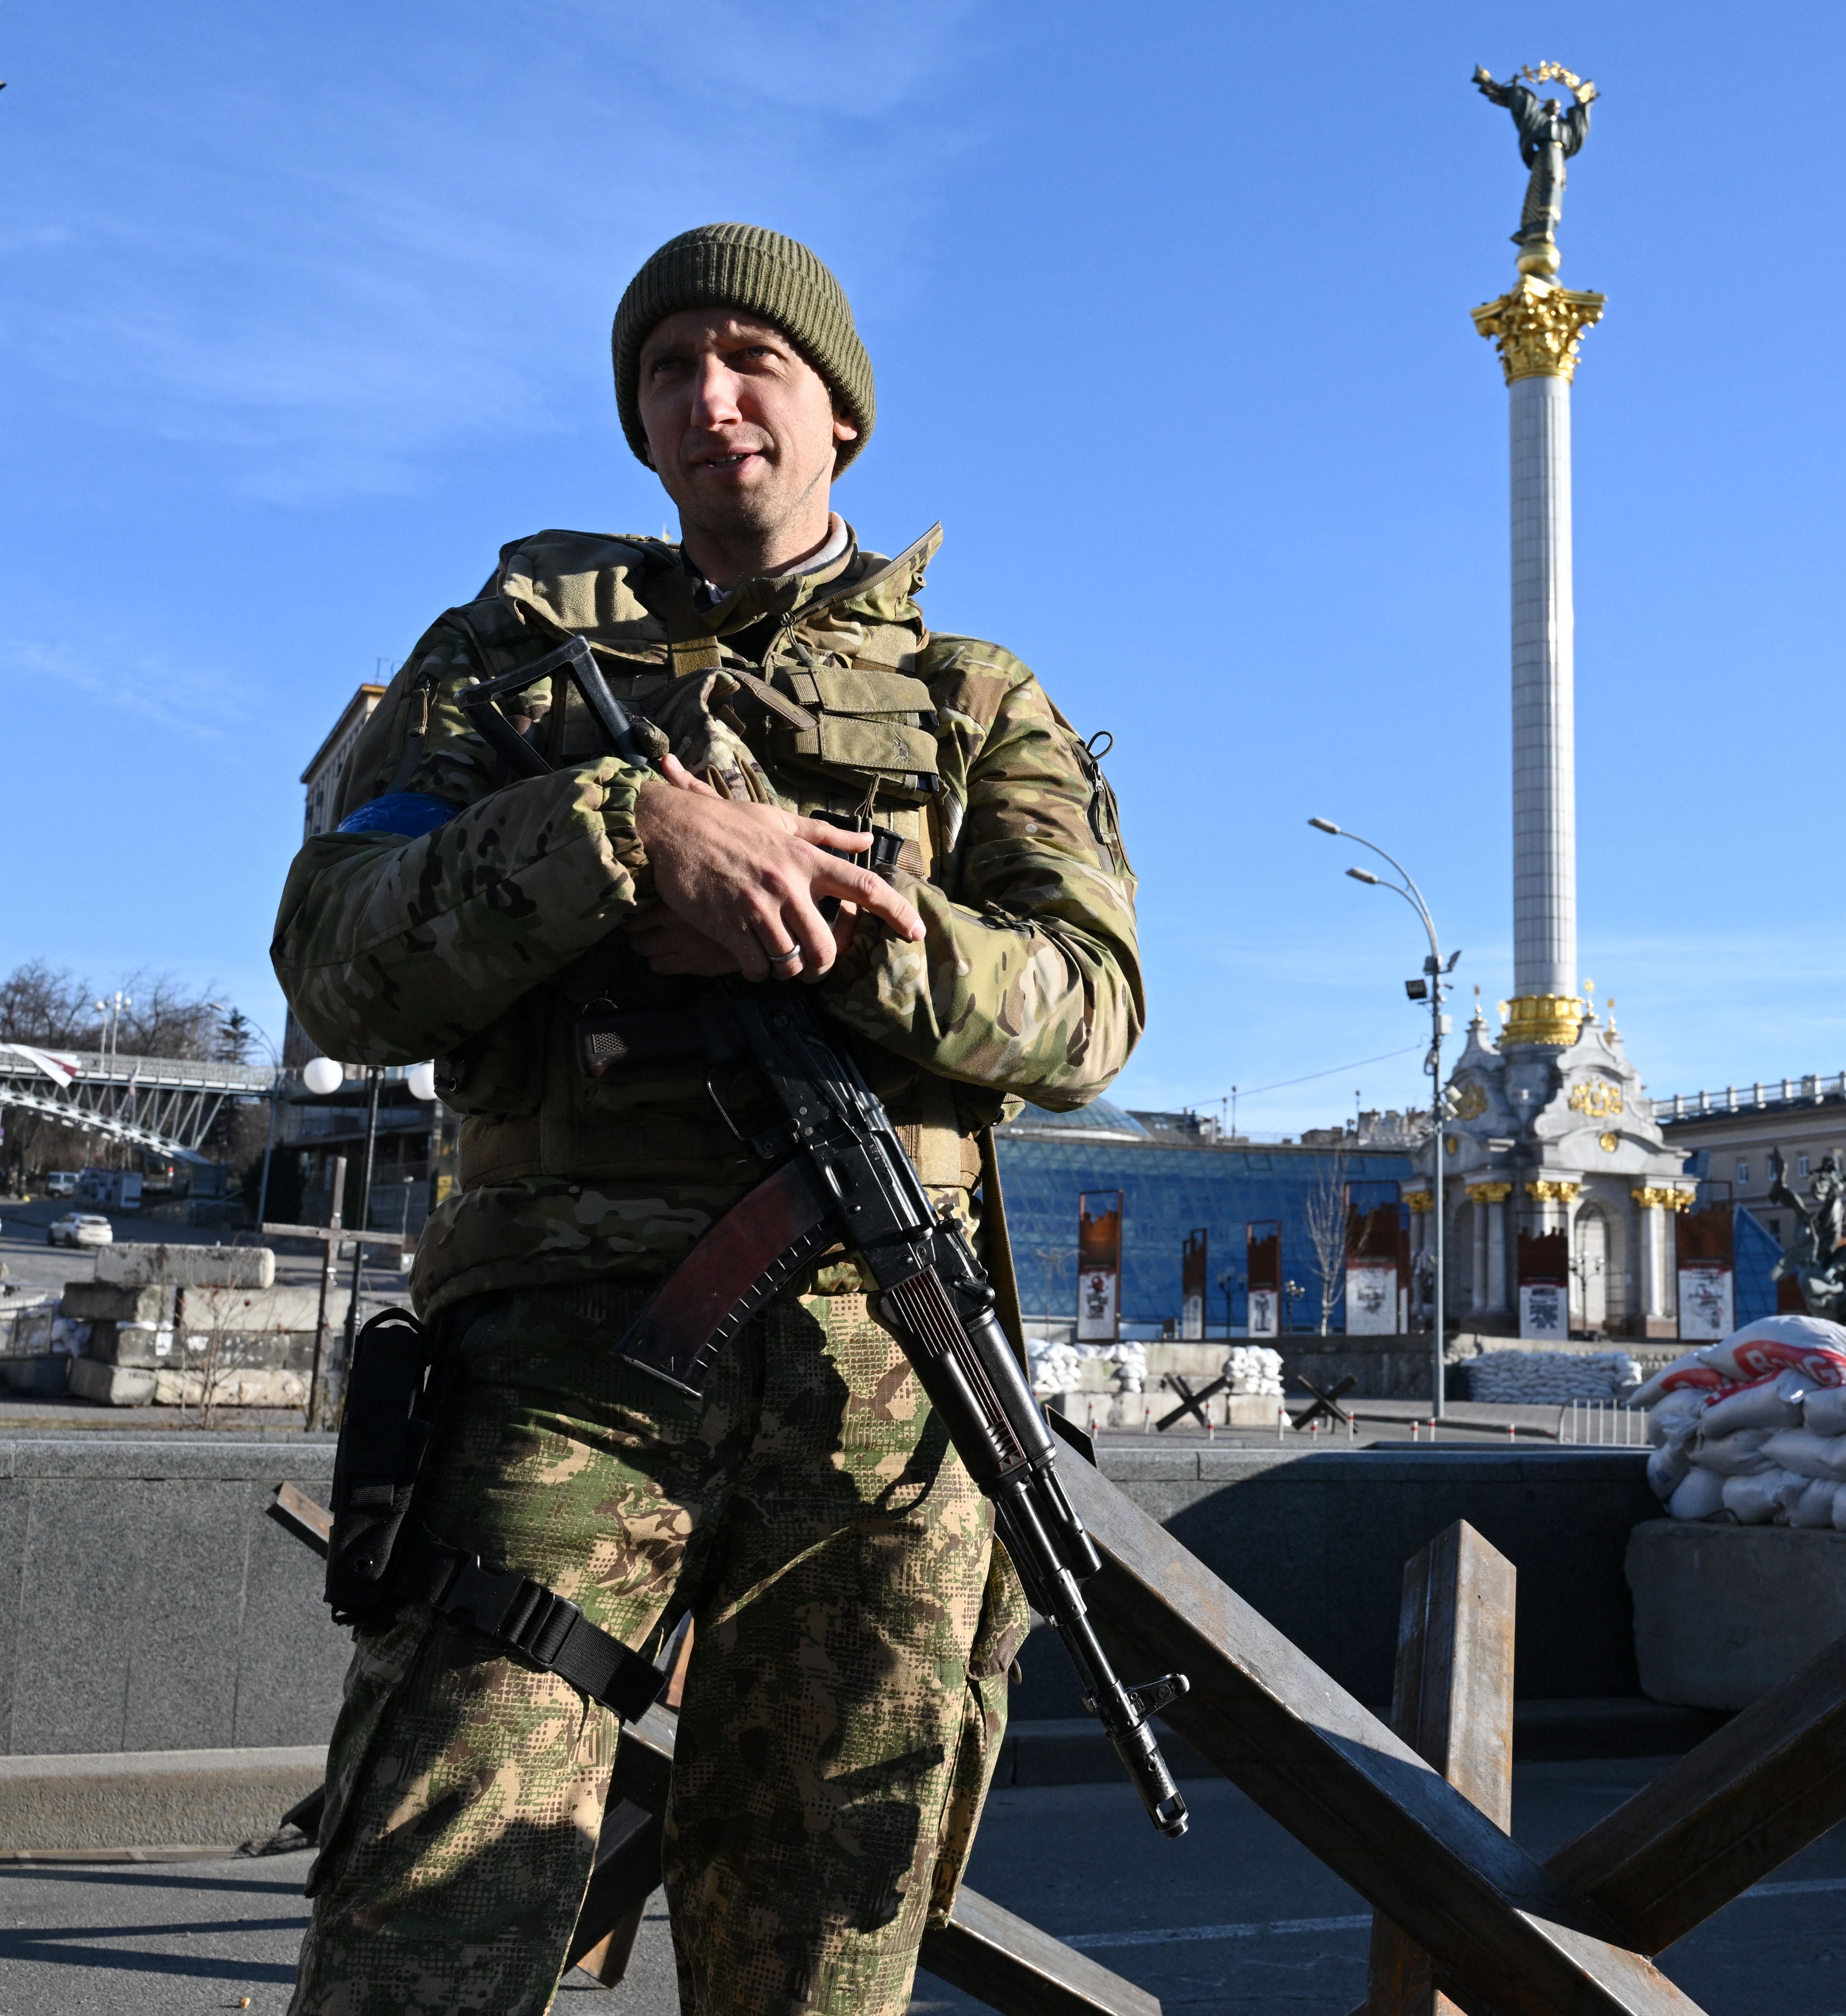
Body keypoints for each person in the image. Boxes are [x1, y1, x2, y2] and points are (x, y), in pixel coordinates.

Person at [270, 222, 1142, 2014]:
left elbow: (1088, 1005)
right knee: (425, 1923)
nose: (708, 395)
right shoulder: (503, 660)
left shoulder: (977, 699)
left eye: (753, 358)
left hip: (881, 1393)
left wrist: (842, 932)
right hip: (560, 1383)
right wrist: (616, 836)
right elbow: (332, 953)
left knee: (822, 1950)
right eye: (668, 367)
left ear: (842, 416)